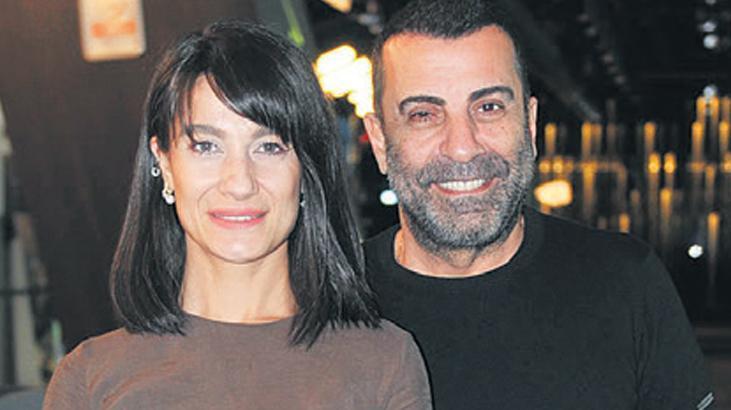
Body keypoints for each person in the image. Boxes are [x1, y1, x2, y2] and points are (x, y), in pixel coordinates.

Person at [44, 20, 431, 410]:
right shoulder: (90, 378)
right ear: (164, 162)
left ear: (305, 171)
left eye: (269, 147)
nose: (240, 182)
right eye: (206, 146)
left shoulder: (382, 361)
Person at [362, 0, 714, 409]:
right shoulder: (326, 301)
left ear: (529, 124)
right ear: (381, 141)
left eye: (489, 107)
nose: (462, 147)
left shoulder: (626, 282)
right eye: (424, 114)